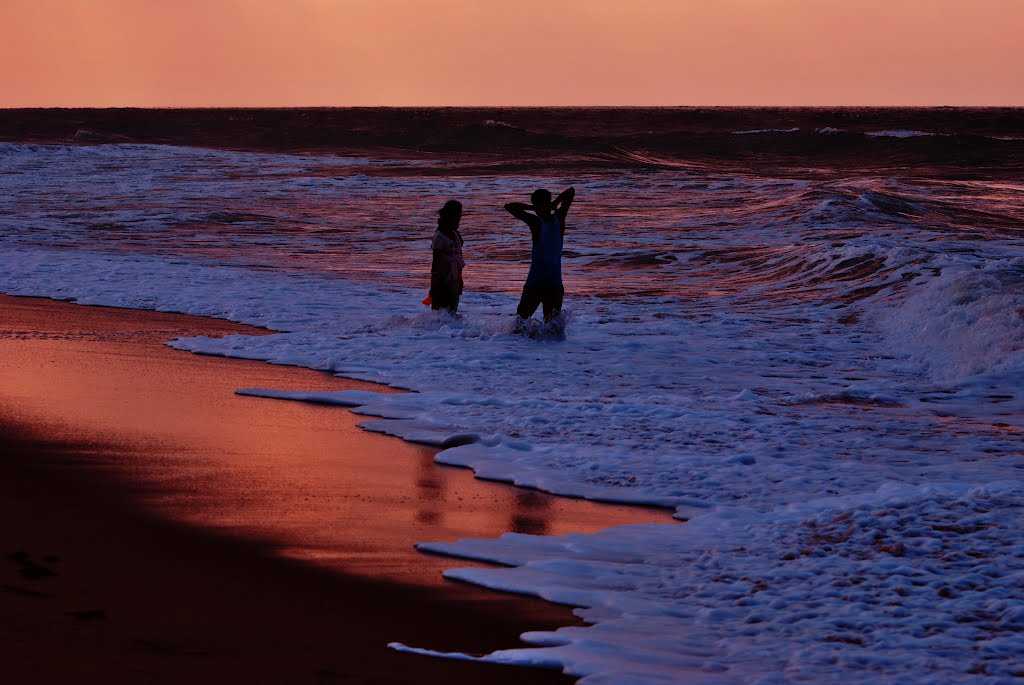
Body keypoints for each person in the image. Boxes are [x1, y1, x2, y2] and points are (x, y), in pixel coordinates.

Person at [504, 186, 575, 323]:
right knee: (520, 323)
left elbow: (571, 191)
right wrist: (533, 208)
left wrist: (555, 203)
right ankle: (516, 345)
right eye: (541, 205)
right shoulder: (535, 222)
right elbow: (509, 207)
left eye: (546, 204)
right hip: (535, 282)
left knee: (553, 330)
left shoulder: (558, 218)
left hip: (553, 284)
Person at [428, 199, 465, 314]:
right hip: (442, 282)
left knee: (450, 314)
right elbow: (436, 264)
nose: (459, 219)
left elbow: (458, 256)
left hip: (454, 279)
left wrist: (460, 279)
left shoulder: (455, 234)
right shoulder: (440, 237)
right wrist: (434, 287)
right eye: (457, 216)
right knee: (441, 314)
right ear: (450, 217)